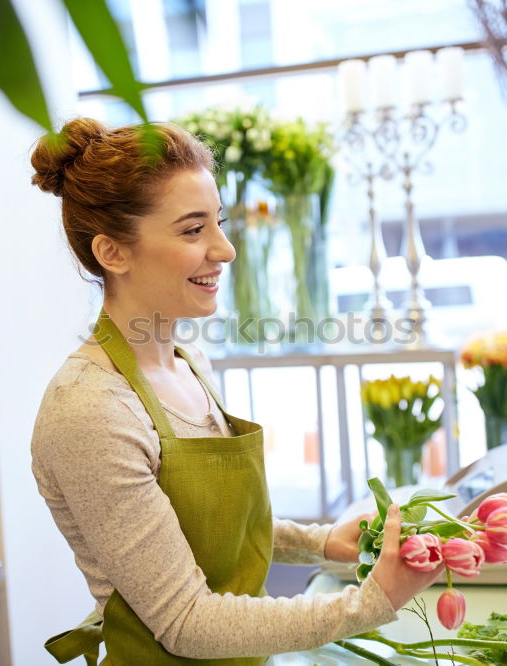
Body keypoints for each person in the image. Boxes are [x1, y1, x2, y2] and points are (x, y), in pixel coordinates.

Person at [29, 118, 442, 664]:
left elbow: (202, 531)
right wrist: (369, 604)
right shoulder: (90, 410)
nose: (225, 250)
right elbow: (186, 621)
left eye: (218, 223)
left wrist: (319, 543)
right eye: (192, 230)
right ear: (112, 252)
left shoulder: (189, 362)